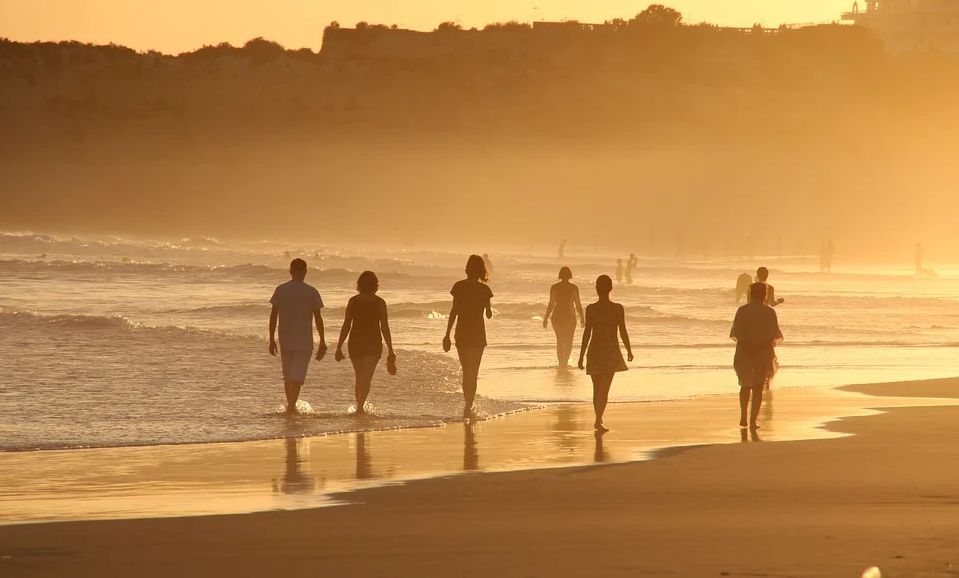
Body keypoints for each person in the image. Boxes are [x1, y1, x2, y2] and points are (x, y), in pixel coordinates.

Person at [334, 271, 395, 415]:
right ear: (376, 285)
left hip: (355, 342)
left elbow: (346, 325)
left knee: (360, 376)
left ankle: (359, 406)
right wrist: (391, 349)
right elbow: (384, 327)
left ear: (359, 285)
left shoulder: (353, 301)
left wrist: (339, 346)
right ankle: (360, 407)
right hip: (373, 343)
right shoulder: (380, 302)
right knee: (366, 377)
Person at [269, 258, 326, 413]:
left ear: (290, 271)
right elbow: (318, 318)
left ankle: (290, 405)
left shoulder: (281, 290)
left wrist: (271, 339)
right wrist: (322, 340)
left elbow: (273, 316)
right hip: (304, 340)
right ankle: (292, 406)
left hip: (285, 339)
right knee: (297, 377)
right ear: (305, 272)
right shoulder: (311, 291)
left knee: (288, 376)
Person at [578, 275, 633, 433]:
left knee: (597, 389)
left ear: (596, 289)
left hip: (594, 351)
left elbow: (587, 334)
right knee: (604, 389)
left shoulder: (591, 309)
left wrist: (581, 355)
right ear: (610, 289)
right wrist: (629, 350)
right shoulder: (617, 308)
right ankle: (597, 420)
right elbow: (623, 331)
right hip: (610, 352)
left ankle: (598, 418)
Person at [443, 255, 493, 420]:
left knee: (466, 371)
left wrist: (447, 335)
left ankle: (467, 404)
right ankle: (469, 406)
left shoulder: (458, 286)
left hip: (462, 331)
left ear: (467, 268)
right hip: (478, 332)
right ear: (481, 270)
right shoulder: (485, 290)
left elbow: (454, 311)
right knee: (474, 371)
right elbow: (489, 314)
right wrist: (486, 306)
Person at [730, 282, 783, 430]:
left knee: (745, 385)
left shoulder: (742, 310)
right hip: (763, 352)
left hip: (744, 352)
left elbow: (737, 332)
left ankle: (743, 417)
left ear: (750, 294)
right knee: (758, 387)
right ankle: (753, 421)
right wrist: (759, 346)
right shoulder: (769, 312)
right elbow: (773, 334)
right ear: (764, 295)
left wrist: (748, 345)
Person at [543, 266, 585, 368]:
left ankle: (561, 363)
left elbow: (551, 303)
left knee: (560, 341)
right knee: (569, 341)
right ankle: (565, 362)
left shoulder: (554, 287)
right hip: (570, 318)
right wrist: (582, 317)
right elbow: (578, 304)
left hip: (557, 317)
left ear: (560, 275)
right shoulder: (574, 288)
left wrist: (546, 317)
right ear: (570, 275)